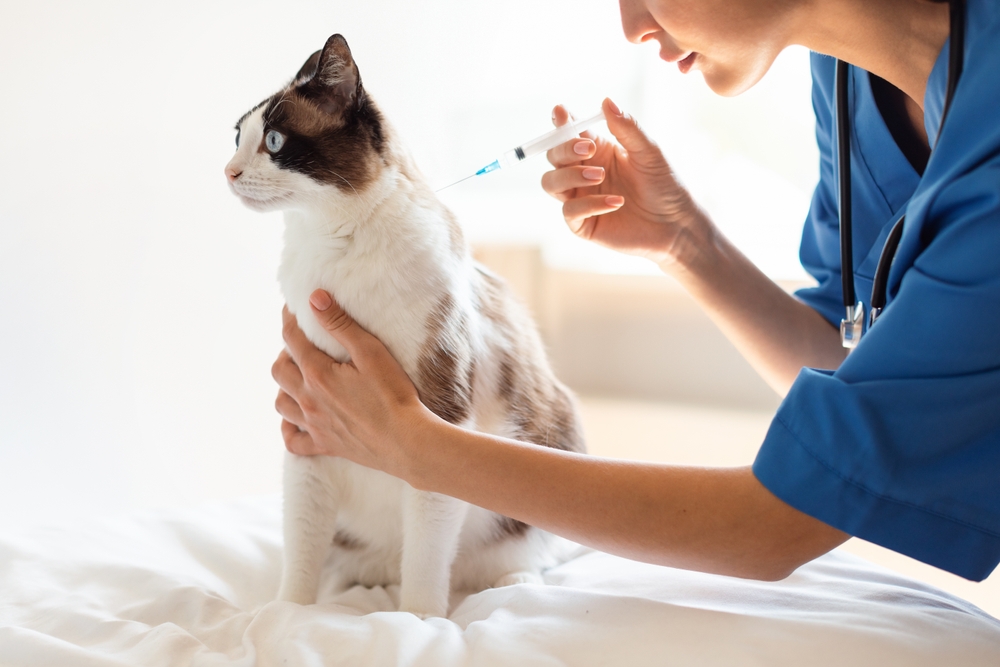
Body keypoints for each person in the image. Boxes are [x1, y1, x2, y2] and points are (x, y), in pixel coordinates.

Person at [271, 0, 1000, 582]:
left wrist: (419, 449)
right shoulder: (847, 79)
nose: (631, 23)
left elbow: (778, 522)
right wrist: (686, 243)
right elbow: (858, 376)